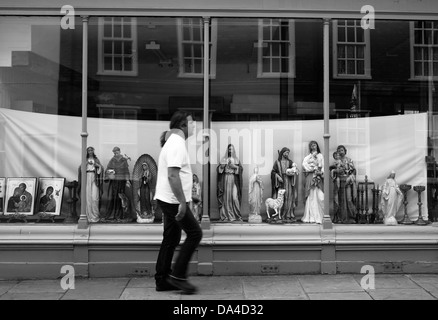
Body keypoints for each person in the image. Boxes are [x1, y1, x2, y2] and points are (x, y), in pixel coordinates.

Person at [154, 111, 202, 294]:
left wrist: (190, 196)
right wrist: (183, 202)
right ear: (183, 125)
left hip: (169, 198)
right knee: (195, 234)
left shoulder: (174, 142)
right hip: (173, 200)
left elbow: (178, 175)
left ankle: (162, 279)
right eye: (192, 123)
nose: (194, 125)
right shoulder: (177, 144)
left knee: (171, 238)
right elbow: (173, 176)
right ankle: (179, 277)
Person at [330, 145, 357, 224]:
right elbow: (332, 170)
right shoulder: (335, 161)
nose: (340, 152)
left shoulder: (349, 160)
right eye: (339, 150)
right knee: (340, 200)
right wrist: (334, 171)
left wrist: (351, 177)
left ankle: (350, 217)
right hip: (339, 182)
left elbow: (354, 170)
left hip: (348, 182)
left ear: (345, 151)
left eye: (342, 150)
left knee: (349, 199)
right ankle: (340, 218)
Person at [271, 147, 299, 222]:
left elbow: (294, 169)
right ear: (282, 153)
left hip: (289, 181)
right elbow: (273, 172)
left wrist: (292, 173)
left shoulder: (290, 162)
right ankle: (280, 215)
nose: (287, 154)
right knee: (281, 197)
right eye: (286, 152)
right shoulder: (277, 162)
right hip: (281, 182)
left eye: (288, 153)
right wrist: (277, 176)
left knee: (289, 197)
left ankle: (288, 214)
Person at [217, 144, 243, 222]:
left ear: (234, 150)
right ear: (227, 150)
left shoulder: (236, 159)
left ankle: (236, 215)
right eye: (229, 149)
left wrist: (234, 167)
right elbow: (218, 170)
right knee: (226, 197)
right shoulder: (224, 159)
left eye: (232, 149)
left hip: (233, 179)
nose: (230, 150)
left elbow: (241, 169)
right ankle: (225, 216)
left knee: (234, 197)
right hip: (225, 178)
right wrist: (221, 167)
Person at [104, 146, 131, 221]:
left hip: (121, 181)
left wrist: (127, 180)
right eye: (114, 152)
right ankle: (113, 214)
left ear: (119, 151)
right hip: (115, 181)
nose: (116, 153)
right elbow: (108, 169)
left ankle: (121, 215)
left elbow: (126, 170)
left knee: (121, 197)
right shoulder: (112, 160)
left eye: (117, 152)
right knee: (114, 197)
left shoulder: (123, 160)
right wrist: (109, 173)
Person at [78, 146, 104, 223]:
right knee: (87, 197)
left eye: (91, 150)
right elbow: (80, 169)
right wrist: (85, 164)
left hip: (94, 178)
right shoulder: (85, 160)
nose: (90, 151)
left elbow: (100, 169)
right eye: (88, 150)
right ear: (87, 152)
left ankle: (95, 216)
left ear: (93, 151)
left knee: (94, 197)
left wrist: (98, 166)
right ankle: (87, 215)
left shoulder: (96, 160)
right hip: (86, 178)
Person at [302, 141, 324, 224]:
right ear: (310, 147)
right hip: (311, 177)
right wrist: (312, 169)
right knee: (311, 196)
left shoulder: (320, 156)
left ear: (317, 146)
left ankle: (320, 216)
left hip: (318, 178)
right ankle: (311, 217)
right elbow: (304, 165)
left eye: (314, 145)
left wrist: (320, 172)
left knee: (321, 197)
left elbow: (323, 166)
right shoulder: (308, 157)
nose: (313, 146)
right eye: (311, 145)